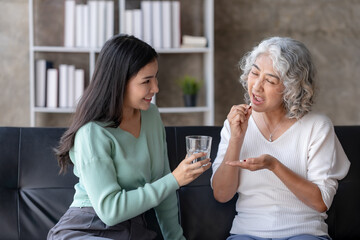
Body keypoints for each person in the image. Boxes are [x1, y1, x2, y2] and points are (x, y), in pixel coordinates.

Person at [47, 34, 211, 240]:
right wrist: (175, 180)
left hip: (133, 228)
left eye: (155, 77)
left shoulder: (151, 116)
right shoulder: (92, 133)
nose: (156, 88)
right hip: (86, 227)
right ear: (119, 82)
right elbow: (110, 211)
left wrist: (176, 238)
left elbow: (163, 184)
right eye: (146, 81)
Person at [211, 37, 350, 240]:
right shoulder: (235, 124)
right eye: (254, 73)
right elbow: (222, 195)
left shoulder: (317, 127)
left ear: (292, 87)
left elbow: (321, 202)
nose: (256, 87)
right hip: (247, 233)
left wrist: (274, 166)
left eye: (270, 80)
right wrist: (236, 139)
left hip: (304, 233)